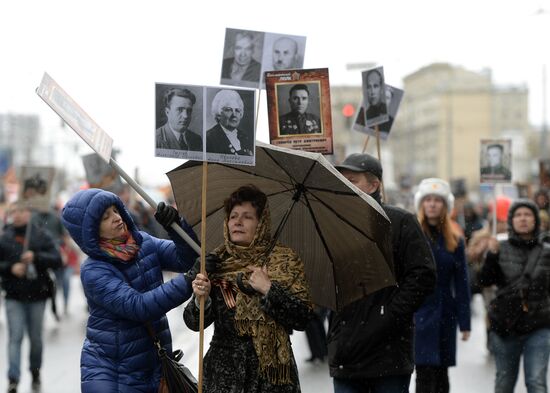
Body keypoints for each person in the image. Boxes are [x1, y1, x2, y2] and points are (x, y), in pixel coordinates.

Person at [61, 188, 199, 392]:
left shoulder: (142, 242)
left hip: (153, 365)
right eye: (105, 217)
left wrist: (176, 227)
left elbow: (185, 260)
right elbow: (138, 306)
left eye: (115, 210)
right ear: (91, 230)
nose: (116, 218)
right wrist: (187, 282)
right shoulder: (94, 270)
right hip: (113, 373)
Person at [183, 184, 314, 392]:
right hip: (224, 377)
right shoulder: (216, 263)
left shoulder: (285, 261)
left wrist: (269, 288)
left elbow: (302, 318)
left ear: (261, 223)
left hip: (272, 379)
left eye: (247, 217)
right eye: (233, 216)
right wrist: (202, 298)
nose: (238, 222)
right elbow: (193, 323)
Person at [328, 153, 436, 393]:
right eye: (341, 179)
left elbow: (423, 275)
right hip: (346, 351)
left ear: (374, 184)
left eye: (352, 180)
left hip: (388, 354)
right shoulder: (333, 225)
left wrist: (390, 313)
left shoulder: (399, 221)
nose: (344, 184)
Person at [478, 199, 550, 393]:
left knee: (537, 382)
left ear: (536, 220)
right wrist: (491, 256)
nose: (523, 219)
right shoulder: (500, 248)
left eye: (528, 214)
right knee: (504, 383)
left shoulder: (546, 252)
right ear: (511, 221)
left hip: (539, 325)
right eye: (518, 215)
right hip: (506, 326)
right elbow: (484, 281)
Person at [413, 178, 471, 393]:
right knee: (424, 371)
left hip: (446, 313)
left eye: (437, 200)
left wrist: (465, 322)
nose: (432, 204)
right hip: (419, 312)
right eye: (427, 199)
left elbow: (462, 284)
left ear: (445, 205)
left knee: (442, 373)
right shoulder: (412, 236)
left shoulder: (455, 240)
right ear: (421, 204)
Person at [0, 201, 63, 393]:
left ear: (28, 212)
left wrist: (36, 257)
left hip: (37, 295)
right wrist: (10, 268)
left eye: (20, 210)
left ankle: (35, 371)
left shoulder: (40, 235)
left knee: (36, 339)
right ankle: (13, 378)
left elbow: (57, 259)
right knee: (15, 337)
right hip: (13, 296)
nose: (16, 215)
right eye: (13, 211)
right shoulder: (5, 237)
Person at [206, 89, 253, 156]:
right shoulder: (209, 138)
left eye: (237, 110)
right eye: (228, 110)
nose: (234, 115)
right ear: (219, 114)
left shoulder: (244, 137)